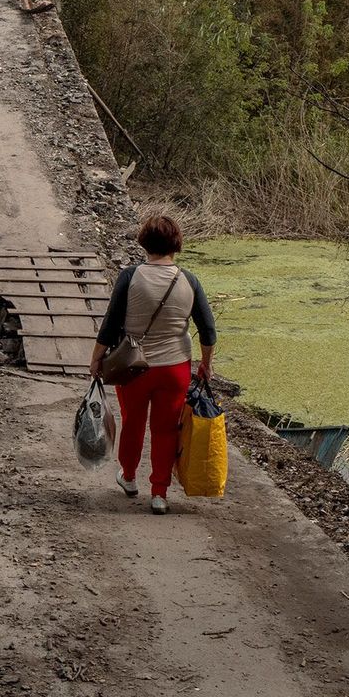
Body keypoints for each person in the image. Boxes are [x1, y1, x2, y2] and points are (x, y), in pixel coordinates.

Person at [88, 214, 216, 514]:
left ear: (144, 242)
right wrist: (206, 364)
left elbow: (110, 325)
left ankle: (129, 477)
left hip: (134, 367)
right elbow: (208, 331)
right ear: (176, 243)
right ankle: (159, 493)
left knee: (133, 421)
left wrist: (96, 358)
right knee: (166, 429)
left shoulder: (130, 277)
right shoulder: (189, 281)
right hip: (175, 368)